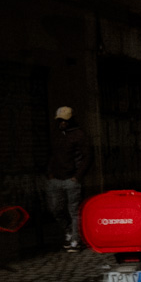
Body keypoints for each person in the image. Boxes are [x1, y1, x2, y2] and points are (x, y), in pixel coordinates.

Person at [47, 106, 94, 251]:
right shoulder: (57, 134)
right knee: (55, 209)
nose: (62, 123)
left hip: (71, 179)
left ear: (71, 120)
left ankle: (75, 240)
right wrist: (50, 173)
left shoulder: (79, 135)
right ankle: (69, 231)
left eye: (65, 120)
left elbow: (87, 157)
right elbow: (52, 155)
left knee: (74, 210)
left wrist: (77, 176)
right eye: (60, 120)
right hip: (56, 179)